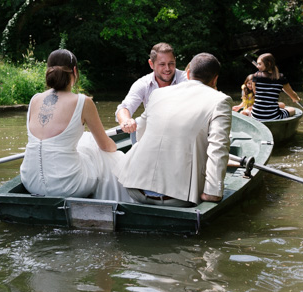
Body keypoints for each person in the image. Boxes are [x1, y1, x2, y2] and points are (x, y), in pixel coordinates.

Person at [120, 52, 232, 207]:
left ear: (187, 73)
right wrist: (213, 191)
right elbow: (218, 148)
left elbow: (140, 133)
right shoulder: (220, 100)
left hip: (134, 187)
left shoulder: (158, 93)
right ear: (215, 79)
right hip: (177, 198)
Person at [19, 49, 130, 201]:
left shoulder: (35, 99)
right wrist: (116, 151)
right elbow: (105, 146)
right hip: (68, 186)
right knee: (99, 150)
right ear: (75, 72)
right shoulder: (83, 102)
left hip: (30, 182)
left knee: (86, 140)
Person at [115, 42, 187, 134]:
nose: (167, 68)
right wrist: (126, 121)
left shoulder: (186, 80)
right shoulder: (142, 84)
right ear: (151, 64)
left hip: (182, 132)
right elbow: (124, 108)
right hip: (155, 133)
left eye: (171, 63)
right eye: (162, 64)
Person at [250, 53, 301, 121]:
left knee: (281, 105)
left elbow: (255, 92)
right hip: (273, 116)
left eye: (259, 64)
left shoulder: (256, 76)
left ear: (269, 63)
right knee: (292, 110)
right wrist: (296, 98)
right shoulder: (280, 78)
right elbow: (292, 94)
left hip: (256, 115)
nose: (257, 66)